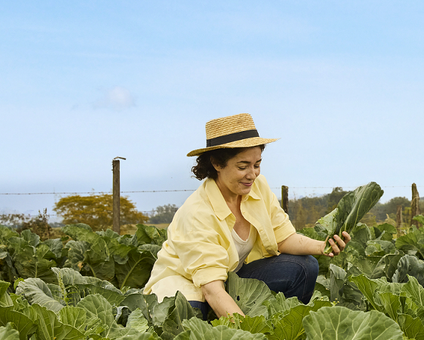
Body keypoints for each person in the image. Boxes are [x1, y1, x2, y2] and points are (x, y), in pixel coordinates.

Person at [144, 113, 348, 320]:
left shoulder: (258, 187)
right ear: (216, 164)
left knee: (305, 267)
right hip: (185, 283)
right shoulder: (196, 213)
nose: (252, 174)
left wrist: (323, 246)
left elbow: (283, 238)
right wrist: (249, 334)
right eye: (242, 167)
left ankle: (282, 326)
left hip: (229, 278)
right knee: (190, 316)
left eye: (257, 164)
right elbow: (211, 290)